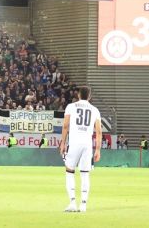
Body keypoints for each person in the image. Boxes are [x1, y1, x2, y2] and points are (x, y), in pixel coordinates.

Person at [60, 85, 102, 213]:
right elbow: (99, 132)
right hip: (87, 144)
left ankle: (72, 202)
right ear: (89, 96)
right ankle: (83, 204)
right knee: (85, 174)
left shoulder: (71, 107)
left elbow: (66, 126)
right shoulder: (94, 110)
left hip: (74, 143)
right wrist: (98, 149)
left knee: (69, 172)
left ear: (78, 95)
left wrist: (63, 143)